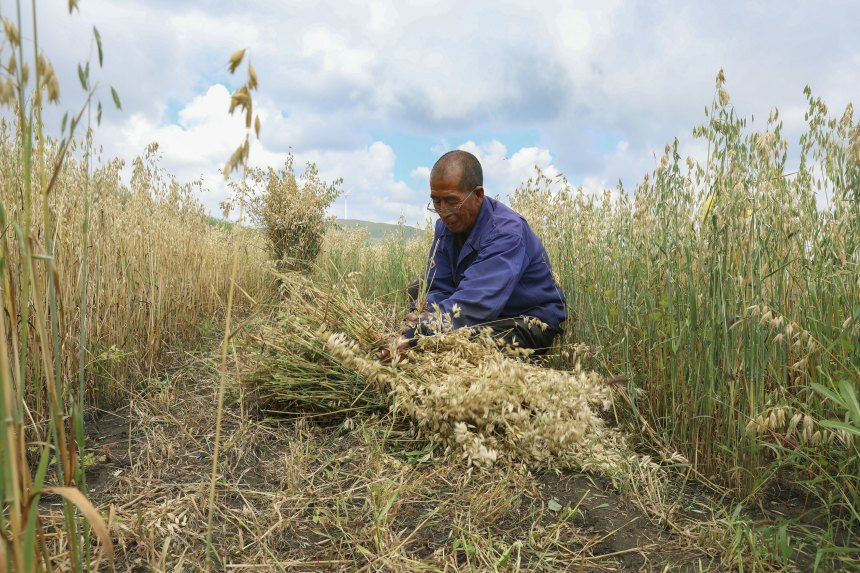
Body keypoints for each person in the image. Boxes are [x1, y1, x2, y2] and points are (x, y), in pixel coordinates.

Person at [381, 150, 566, 361]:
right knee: (418, 288)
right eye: (436, 201)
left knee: (453, 350)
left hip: (524, 321)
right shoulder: (445, 227)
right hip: (480, 312)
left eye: (451, 201)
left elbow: (476, 304)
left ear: (478, 195)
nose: (443, 211)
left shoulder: (507, 232)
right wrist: (428, 313)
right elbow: (438, 284)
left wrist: (417, 335)